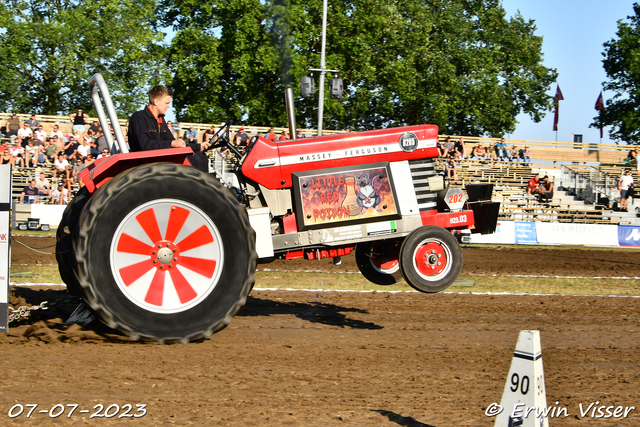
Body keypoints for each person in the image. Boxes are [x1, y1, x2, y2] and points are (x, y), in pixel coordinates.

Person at [128, 85, 209, 172]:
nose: (169, 106)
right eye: (167, 103)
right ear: (156, 101)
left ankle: (206, 184)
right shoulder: (139, 117)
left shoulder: (160, 120)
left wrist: (198, 146)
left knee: (201, 156)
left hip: (160, 157)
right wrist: (171, 143)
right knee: (194, 159)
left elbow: (173, 143)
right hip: (146, 161)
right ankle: (197, 185)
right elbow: (145, 145)